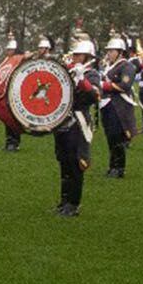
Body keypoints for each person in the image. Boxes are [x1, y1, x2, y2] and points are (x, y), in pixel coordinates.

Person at [53, 34, 103, 218]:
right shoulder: (68, 71)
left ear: (87, 57)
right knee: (63, 161)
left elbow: (95, 96)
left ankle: (73, 203)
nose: (75, 58)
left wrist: (82, 79)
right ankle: (64, 201)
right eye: (75, 55)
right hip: (62, 121)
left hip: (78, 121)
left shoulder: (92, 74)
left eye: (79, 55)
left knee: (75, 163)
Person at [98, 32, 139, 178]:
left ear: (120, 52)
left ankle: (119, 168)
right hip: (106, 105)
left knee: (117, 138)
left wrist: (104, 85)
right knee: (110, 137)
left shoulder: (126, 66)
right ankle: (112, 166)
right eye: (108, 51)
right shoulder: (108, 66)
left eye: (111, 51)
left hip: (118, 105)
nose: (109, 53)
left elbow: (125, 85)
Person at [0, 36, 24, 153]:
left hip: (14, 92)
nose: (7, 51)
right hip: (6, 93)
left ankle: (15, 143)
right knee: (7, 118)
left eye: (9, 50)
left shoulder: (18, 60)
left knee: (13, 119)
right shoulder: (6, 60)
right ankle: (9, 141)